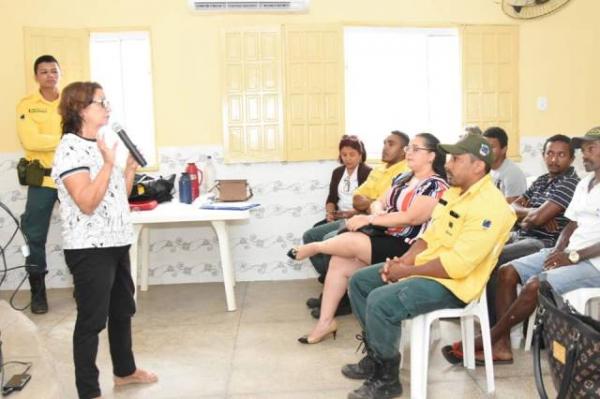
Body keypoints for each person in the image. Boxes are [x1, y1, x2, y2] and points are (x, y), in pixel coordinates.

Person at [341, 134, 516, 399]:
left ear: (478, 165)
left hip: (455, 285)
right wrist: (404, 261)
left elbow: (457, 266)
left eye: (456, 159)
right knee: (360, 282)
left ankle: (387, 380)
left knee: (380, 300)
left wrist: (407, 272)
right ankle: (378, 356)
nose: (449, 164)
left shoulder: (491, 207)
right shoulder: (455, 193)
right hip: (427, 270)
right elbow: (429, 236)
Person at [442, 127, 600, 367]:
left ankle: (488, 338)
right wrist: (559, 250)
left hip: (592, 262)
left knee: (537, 283)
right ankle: (502, 346)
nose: (584, 155)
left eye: (590, 149)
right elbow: (571, 225)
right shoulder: (586, 183)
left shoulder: (572, 181)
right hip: (569, 252)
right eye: (584, 150)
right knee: (507, 272)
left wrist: (574, 256)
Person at [51, 82, 157, 399]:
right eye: (101, 102)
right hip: (89, 248)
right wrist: (109, 163)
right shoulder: (69, 148)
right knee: (91, 321)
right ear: (80, 108)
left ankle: (125, 372)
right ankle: (88, 391)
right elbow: (86, 201)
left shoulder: (99, 143)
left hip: (116, 241)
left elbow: (115, 199)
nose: (107, 107)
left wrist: (125, 172)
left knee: (122, 310)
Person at [293, 134, 448, 344]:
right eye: (408, 148)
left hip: (407, 246)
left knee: (353, 240)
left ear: (431, 156)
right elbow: (378, 201)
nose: (408, 152)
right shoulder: (403, 177)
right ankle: (325, 323)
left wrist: (372, 218)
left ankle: (315, 247)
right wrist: (377, 213)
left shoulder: (435, 185)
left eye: (415, 149)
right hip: (385, 234)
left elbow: (411, 217)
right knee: (339, 262)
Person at [302, 131, 410, 318]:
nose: (385, 146)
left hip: (374, 223)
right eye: (384, 142)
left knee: (332, 239)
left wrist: (369, 205)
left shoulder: (404, 172)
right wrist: (369, 204)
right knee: (311, 235)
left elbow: (383, 207)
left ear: (404, 151)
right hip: (358, 216)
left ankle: (341, 299)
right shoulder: (379, 170)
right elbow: (357, 198)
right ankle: (332, 286)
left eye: (391, 144)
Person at [485, 134, 579, 325]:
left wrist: (531, 217)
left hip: (543, 243)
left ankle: (495, 330)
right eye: (550, 153)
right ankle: (489, 324)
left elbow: (532, 217)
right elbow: (512, 208)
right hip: (521, 234)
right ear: (543, 155)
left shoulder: (570, 182)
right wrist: (533, 214)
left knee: (495, 258)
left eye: (561, 155)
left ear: (571, 159)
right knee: (481, 249)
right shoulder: (542, 180)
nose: (554, 159)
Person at [16, 55, 62, 314]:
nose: (49, 75)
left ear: (59, 74)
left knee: (82, 234)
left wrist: (53, 138)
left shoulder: (70, 103)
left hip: (70, 178)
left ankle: (83, 288)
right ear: (36, 76)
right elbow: (30, 140)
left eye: (53, 71)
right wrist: (64, 138)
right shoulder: (27, 105)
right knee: (34, 236)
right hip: (42, 179)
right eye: (43, 71)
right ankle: (38, 293)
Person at [317, 135, 372, 226]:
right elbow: (331, 199)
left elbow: (369, 204)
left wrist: (348, 214)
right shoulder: (337, 172)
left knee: (326, 237)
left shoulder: (368, 172)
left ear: (360, 155)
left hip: (358, 218)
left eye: (352, 154)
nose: (348, 158)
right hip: (339, 217)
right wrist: (330, 213)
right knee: (314, 231)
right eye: (344, 155)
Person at [482, 127, 527, 203]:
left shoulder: (512, 173)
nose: (487, 151)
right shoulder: (485, 169)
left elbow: (513, 209)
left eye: (492, 147)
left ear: (504, 149)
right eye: (484, 147)